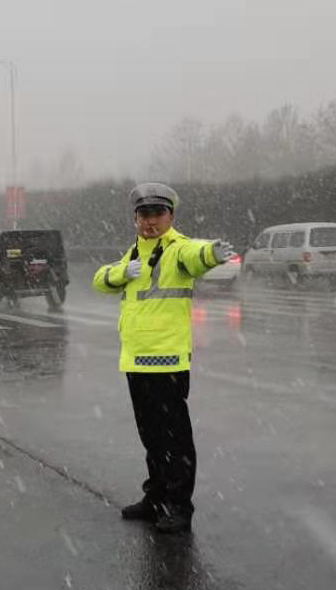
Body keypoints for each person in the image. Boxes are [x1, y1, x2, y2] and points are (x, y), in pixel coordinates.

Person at [92, 183, 234, 533]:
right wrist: (122, 272)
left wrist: (212, 253)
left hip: (167, 360)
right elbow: (100, 281)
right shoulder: (135, 252)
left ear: (171, 216)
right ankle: (155, 497)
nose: (150, 221)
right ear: (135, 218)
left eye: (158, 213)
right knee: (151, 437)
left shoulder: (176, 248)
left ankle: (179, 505)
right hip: (136, 360)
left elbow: (195, 255)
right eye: (144, 214)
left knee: (174, 440)